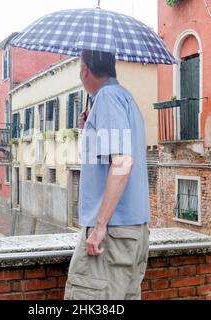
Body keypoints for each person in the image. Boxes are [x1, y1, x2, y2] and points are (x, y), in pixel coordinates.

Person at [64, 49, 151, 300]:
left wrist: (100, 225)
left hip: (113, 232)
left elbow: (123, 162)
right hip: (133, 230)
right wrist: (90, 128)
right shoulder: (126, 98)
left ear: (85, 70)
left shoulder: (107, 98)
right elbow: (112, 157)